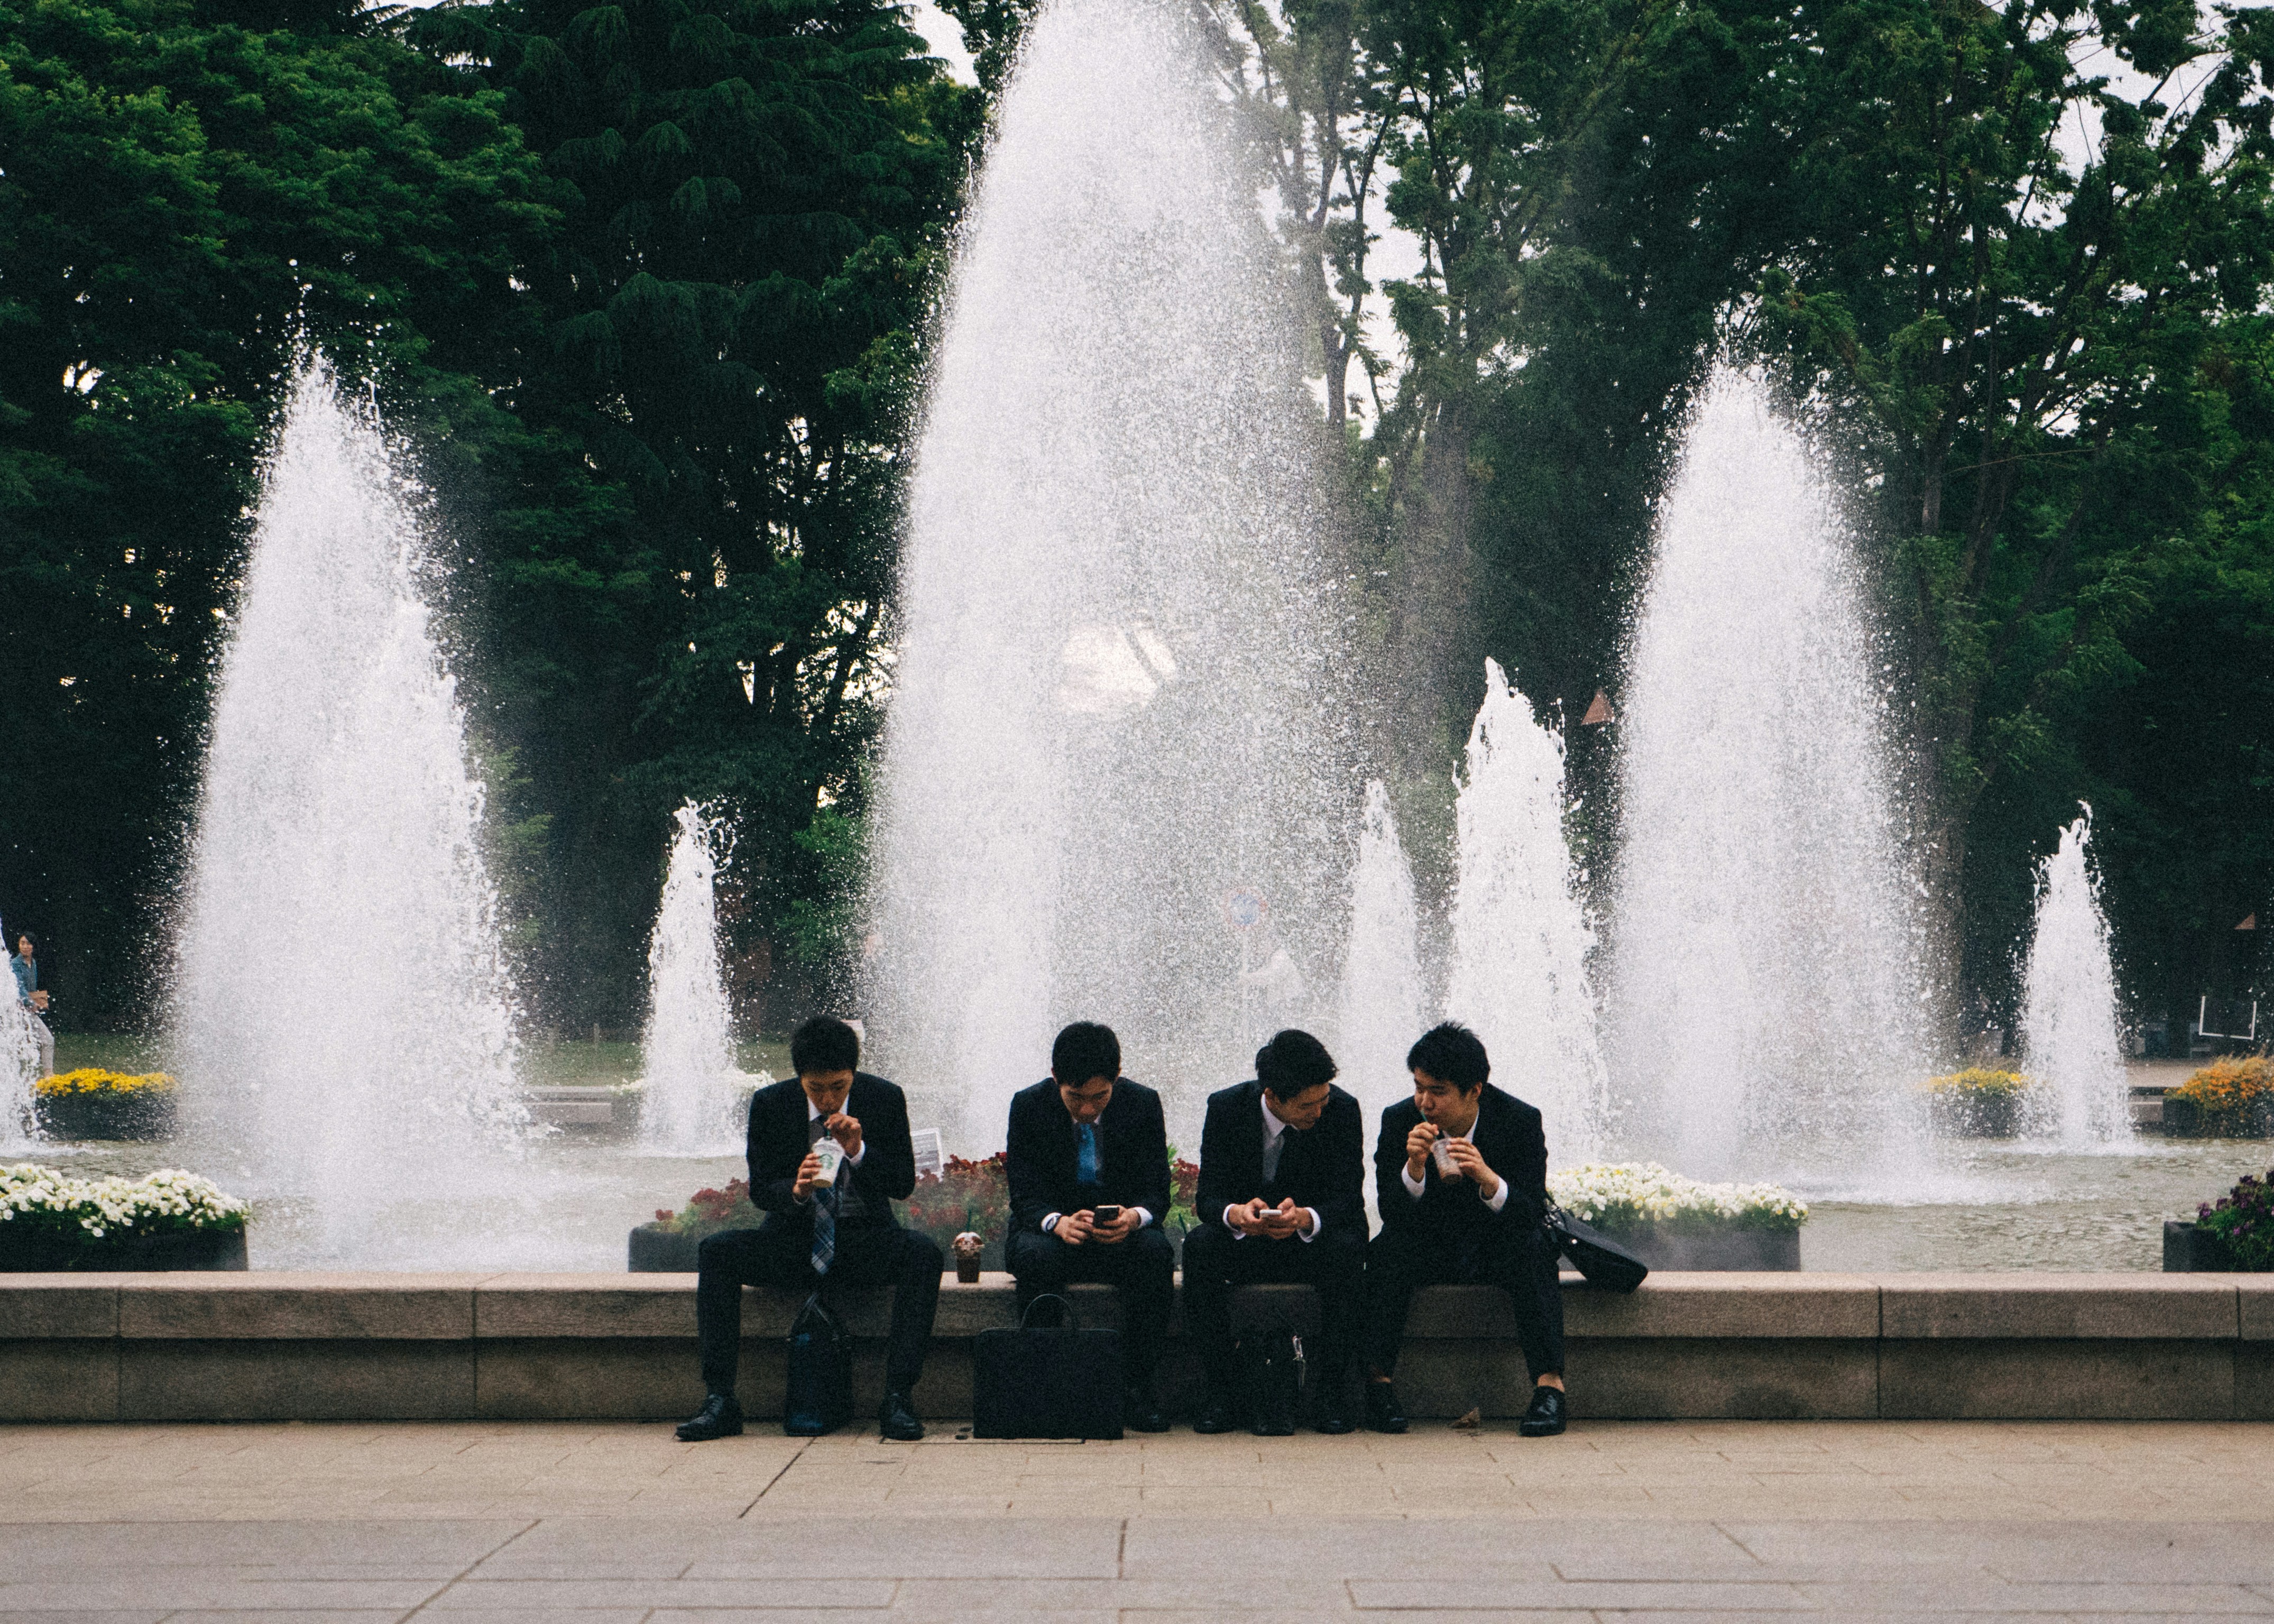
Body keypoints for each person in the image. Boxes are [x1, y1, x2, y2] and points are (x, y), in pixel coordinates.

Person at [676, 1016, 943, 1444]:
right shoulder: (770, 1103)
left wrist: (859, 1152)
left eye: (838, 1087)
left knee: (924, 1254)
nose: (828, 1099)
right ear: (799, 1077)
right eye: (815, 1088)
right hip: (794, 1240)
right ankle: (720, 1398)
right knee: (716, 1252)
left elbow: (903, 1184)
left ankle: (897, 1397)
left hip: (862, 1238)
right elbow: (762, 1190)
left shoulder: (883, 1099)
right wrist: (796, 1190)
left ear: (853, 1074)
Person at [1358, 1022, 1569, 1438]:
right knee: (1385, 1252)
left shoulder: (1518, 1120)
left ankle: (1550, 1388)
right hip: (1429, 1244)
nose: (1424, 1102)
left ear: (1474, 1090)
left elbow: (1529, 1211)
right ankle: (1377, 1383)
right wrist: (1413, 1170)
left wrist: (1490, 1180)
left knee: (1533, 1249)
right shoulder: (1400, 1118)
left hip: (1494, 1246)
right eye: (1419, 1087)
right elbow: (1390, 1212)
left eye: (1437, 1091)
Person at [1183, 1028, 1366, 1436]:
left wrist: (1305, 1218)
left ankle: (1331, 1394)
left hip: (1306, 1243)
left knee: (1349, 1248)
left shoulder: (1341, 1110)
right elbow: (1210, 1196)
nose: (1318, 1112)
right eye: (1307, 1105)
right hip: (1247, 1240)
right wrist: (1236, 1214)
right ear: (1271, 1096)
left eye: (1323, 1100)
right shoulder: (1226, 1107)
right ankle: (1222, 1392)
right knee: (1199, 1248)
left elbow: (1347, 1200)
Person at [1003, 1020, 1175, 1432]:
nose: (1087, 1110)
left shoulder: (1142, 1103)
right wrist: (1057, 1222)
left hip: (1117, 1234)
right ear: (1055, 1079)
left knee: (1155, 1254)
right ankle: (1043, 1388)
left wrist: (1133, 1218)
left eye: (1099, 1097)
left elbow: (1157, 1192)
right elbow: (1023, 1194)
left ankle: (1136, 1387)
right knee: (1035, 1257)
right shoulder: (1028, 1105)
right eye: (1075, 1097)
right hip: (1053, 1233)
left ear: (1117, 1078)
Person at [11, 933, 53, 1078]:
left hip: (29, 1010)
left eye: (28, 944)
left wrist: (38, 1001)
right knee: (46, 1040)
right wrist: (31, 1002)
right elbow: (19, 988)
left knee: (37, 1043)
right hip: (19, 1011)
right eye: (22, 943)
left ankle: (47, 1075)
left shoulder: (33, 963)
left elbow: (31, 988)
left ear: (33, 947)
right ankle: (46, 1075)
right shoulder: (15, 964)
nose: (25, 946)